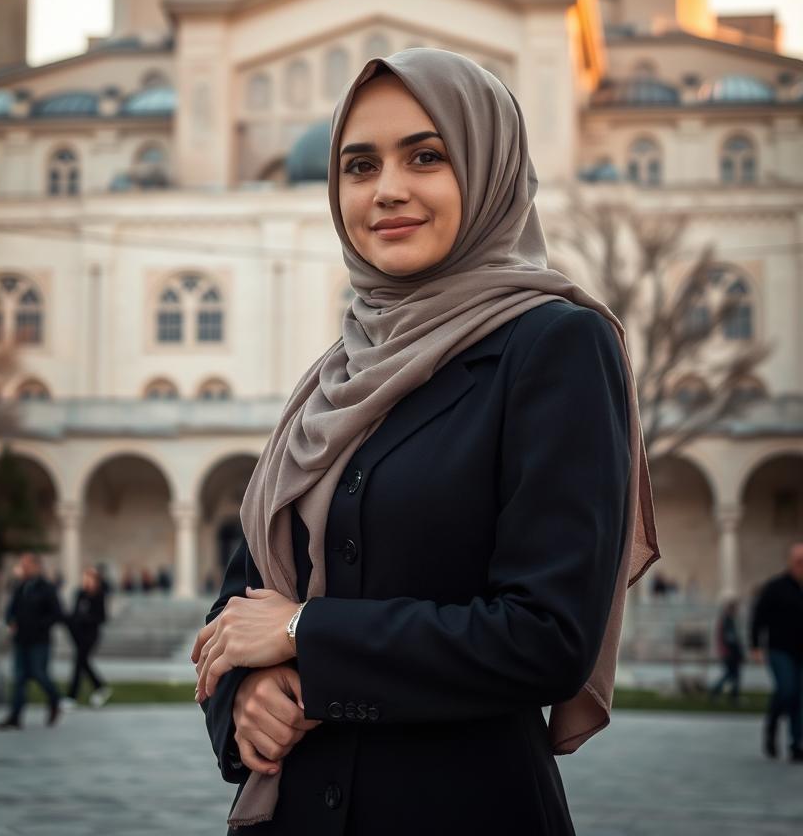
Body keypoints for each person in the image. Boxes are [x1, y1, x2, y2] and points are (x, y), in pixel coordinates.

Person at [191, 47, 660, 834]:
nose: (389, 191)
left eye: (427, 156)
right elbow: (244, 605)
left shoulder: (555, 347)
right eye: (359, 166)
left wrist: (306, 633)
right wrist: (246, 702)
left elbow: (547, 637)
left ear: (487, 168)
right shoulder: (338, 374)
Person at [0, 550, 64, 730]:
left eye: (26, 565)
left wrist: (39, 625)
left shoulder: (47, 588)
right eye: (22, 565)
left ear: (36, 566)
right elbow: (11, 610)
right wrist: (10, 621)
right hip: (21, 640)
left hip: (39, 641)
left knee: (39, 674)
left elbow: (57, 614)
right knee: (19, 679)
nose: (23, 568)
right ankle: (15, 717)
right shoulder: (20, 587)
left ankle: (55, 699)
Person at [749, 541, 803, 762]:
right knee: (787, 690)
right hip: (780, 650)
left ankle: (796, 743)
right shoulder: (776, 587)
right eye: (799, 561)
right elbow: (758, 618)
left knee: (800, 697)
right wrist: (755, 646)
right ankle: (772, 725)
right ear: (790, 562)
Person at [61, 566, 112, 709]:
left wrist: (85, 618)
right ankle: (100, 687)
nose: (86, 581)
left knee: (79, 663)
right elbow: (75, 612)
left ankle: (72, 697)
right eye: (85, 577)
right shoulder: (80, 594)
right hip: (78, 633)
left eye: (89, 578)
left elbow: (101, 617)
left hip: (90, 634)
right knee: (82, 662)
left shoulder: (99, 595)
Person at [709, 596, 744, 703]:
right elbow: (729, 639)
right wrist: (737, 651)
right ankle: (718, 692)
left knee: (733, 675)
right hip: (730, 652)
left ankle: (731, 695)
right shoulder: (727, 621)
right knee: (731, 674)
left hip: (729, 652)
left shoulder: (728, 620)